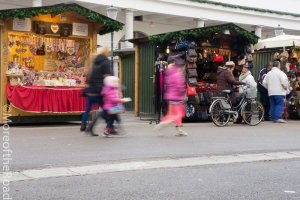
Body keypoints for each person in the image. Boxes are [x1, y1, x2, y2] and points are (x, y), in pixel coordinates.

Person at [80, 47, 112, 136]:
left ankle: (84, 124)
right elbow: (107, 76)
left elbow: (89, 78)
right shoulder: (105, 62)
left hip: (91, 90)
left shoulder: (94, 63)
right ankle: (109, 126)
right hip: (100, 90)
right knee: (106, 109)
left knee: (88, 108)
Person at [154, 56, 188, 136]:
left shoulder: (170, 73)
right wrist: (184, 94)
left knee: (176, 115)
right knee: (178, 115)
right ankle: (161, 125)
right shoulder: (177, 74)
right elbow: (180, 87)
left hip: (171, 97)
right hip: (177, 98)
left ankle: (179, 130)